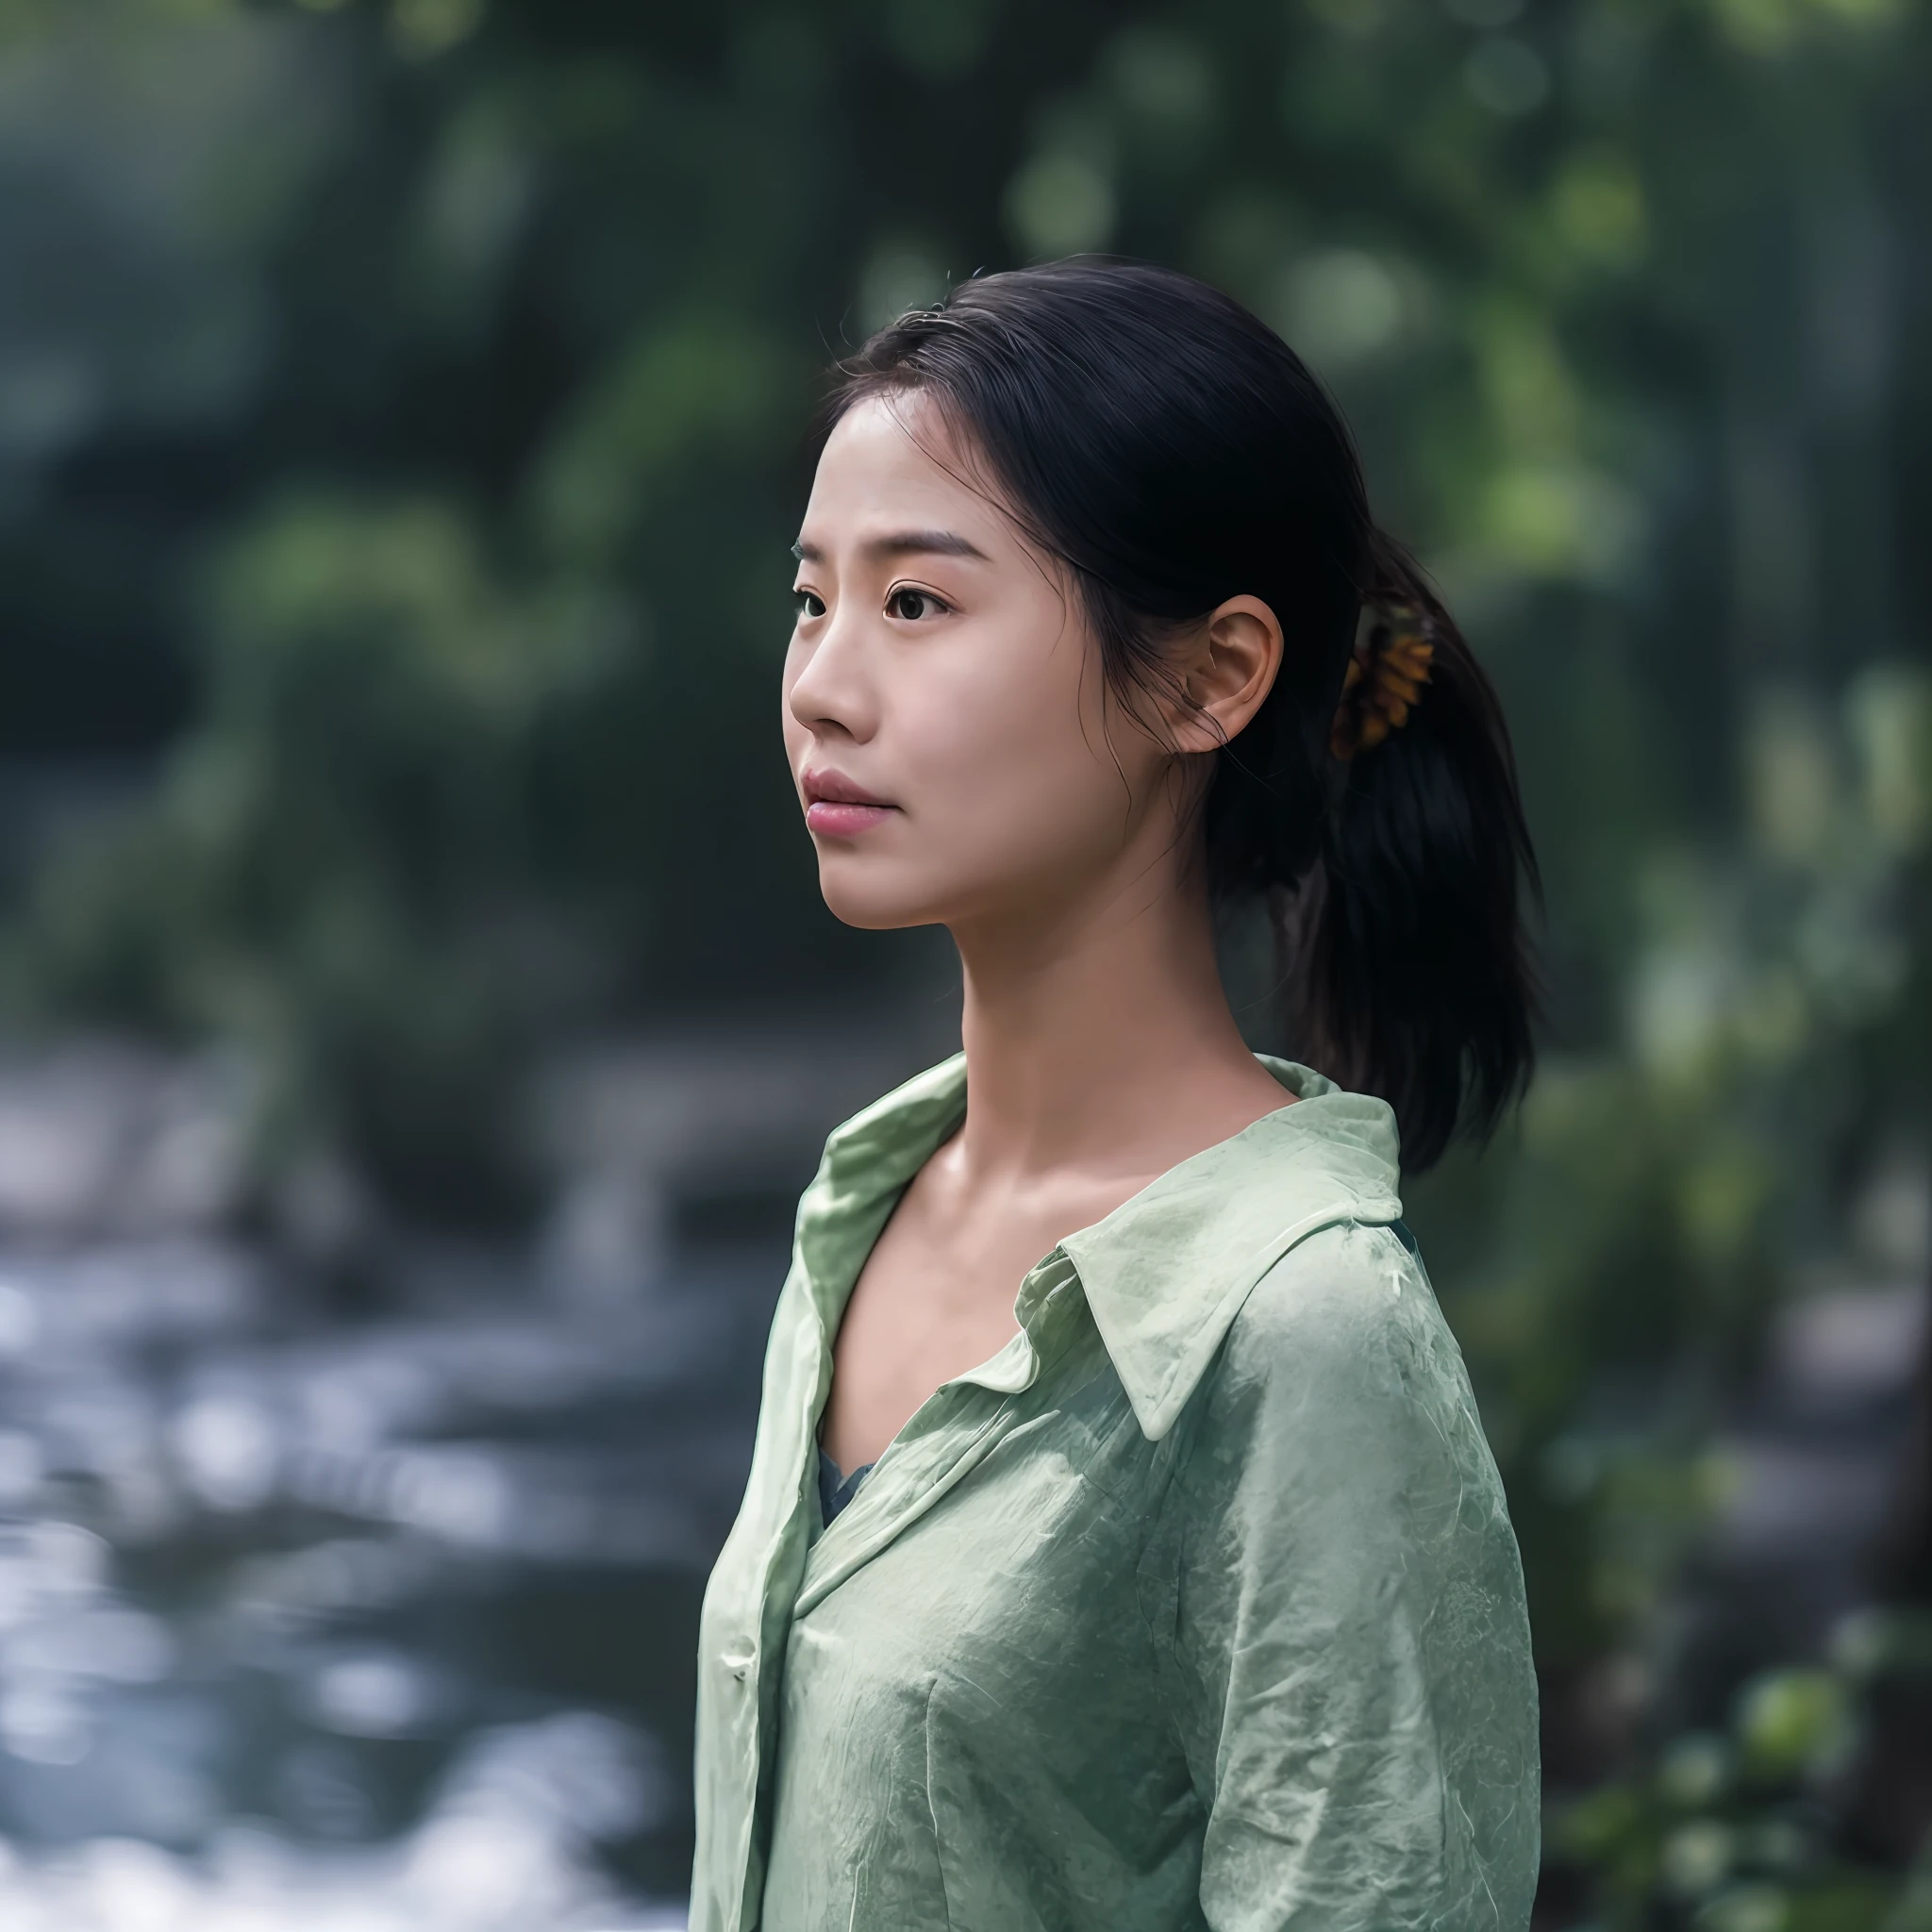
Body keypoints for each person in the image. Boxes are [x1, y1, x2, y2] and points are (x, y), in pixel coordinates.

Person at [690, 259, 1541, 1932]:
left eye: (917, 605)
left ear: (1210, 680)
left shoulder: (1302, 1338)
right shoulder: (868, 1209)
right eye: (812, 601)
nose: (824, 686)